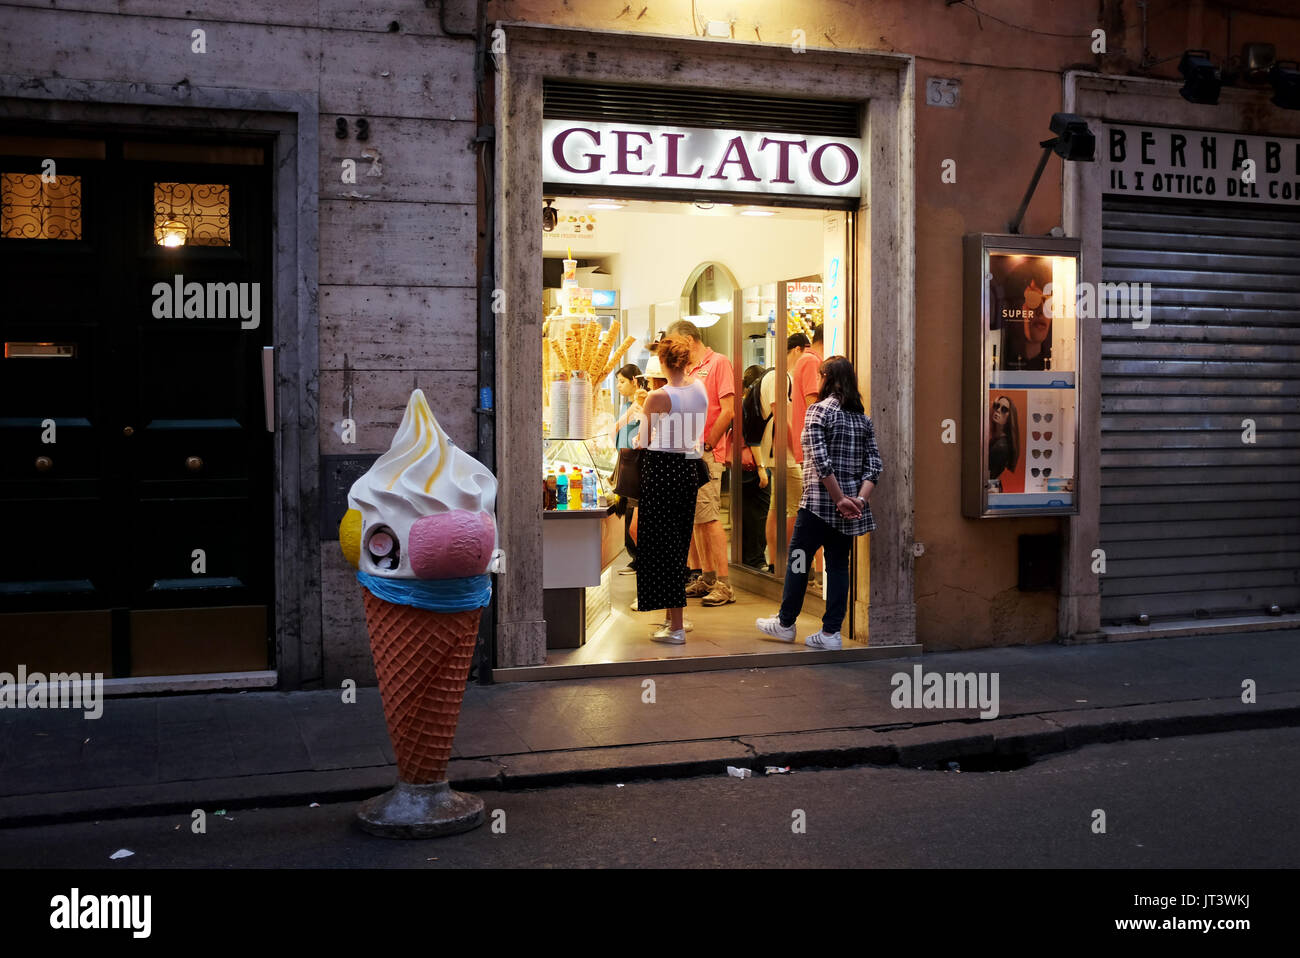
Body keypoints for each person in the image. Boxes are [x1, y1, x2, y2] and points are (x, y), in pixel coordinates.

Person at [756, 355, 882, 650]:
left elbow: (820, 462)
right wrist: (858, 501)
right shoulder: (862, 420)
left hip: (817, 506)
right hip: (849, 510)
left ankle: (786, 623)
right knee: (838, 565)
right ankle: (830, 633)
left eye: (819, 375)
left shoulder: (818, 412)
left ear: (826, 377)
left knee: (798, 562)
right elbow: (874, 466)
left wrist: (839, 499)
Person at [635, 334, 708, 645]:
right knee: (677, 543)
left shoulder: (658, 396)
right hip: (687, 469)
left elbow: (643, 440)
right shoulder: (699, 388)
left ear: (662, 361)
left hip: (661, 469)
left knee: (660, 545)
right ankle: (672, 617)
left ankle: (676, 627)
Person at [666, 319, 737, 607]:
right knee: (696, 517)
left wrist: (708, 441)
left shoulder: (718, 363)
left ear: (689, 339)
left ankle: (724, 582)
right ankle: (706, 577)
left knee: (709, 517)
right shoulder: (687, 369)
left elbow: (728, 410)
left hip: (706, 454)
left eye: (674, 342)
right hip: (687, 453)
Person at [746, 333, 809, 572]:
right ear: (797, 350)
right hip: (783, 452)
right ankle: (794, 566)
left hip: (777, 451)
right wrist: (799, 450)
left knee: (777, 507)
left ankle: (776, 562)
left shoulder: (778, 376)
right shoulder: (778, 377)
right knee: (794, 508)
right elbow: (782, 419)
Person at [610, 363, 643, 576]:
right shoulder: (625, 406)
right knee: (625, 509)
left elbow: (617, 428)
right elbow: (614, 433)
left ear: (635, 381)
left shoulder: (641, 405)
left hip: (636, 461)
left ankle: (640, 559)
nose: (620, 387)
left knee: (634, 512)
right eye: (617, 383)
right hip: (623, 460)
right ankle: (634, 558)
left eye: (622, 382)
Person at [739, 364, 770, 569]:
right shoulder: (754, 404)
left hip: (742, 466)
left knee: (748, 513)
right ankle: (756, 559)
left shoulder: (741, 403)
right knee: (758, 514)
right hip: (754, 465)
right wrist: (761, 467)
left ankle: (747, 557)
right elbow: (755, 438)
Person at [988, 394, 1019, 481]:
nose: (998, 410)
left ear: (1010, 417)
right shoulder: (996, 440)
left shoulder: (1001, 446)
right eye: (997, 406)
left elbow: (991, 477)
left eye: (1004, 409)